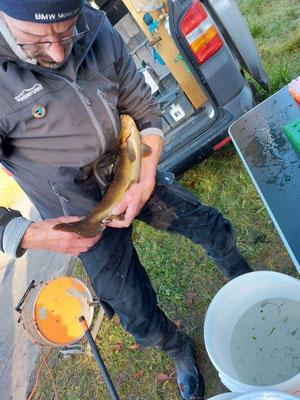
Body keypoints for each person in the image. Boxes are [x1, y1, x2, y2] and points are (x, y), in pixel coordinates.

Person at [0, 1, 253, 398]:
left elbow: (143, 110)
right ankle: (178, 348)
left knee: (208, 225)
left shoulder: (96, 26)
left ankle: (244, 279)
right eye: (35, 40)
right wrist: (26, 234)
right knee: (134, 314)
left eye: (66, 33)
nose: (56, 52)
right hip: (75, 213)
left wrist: (144, 178)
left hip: (130, 171)